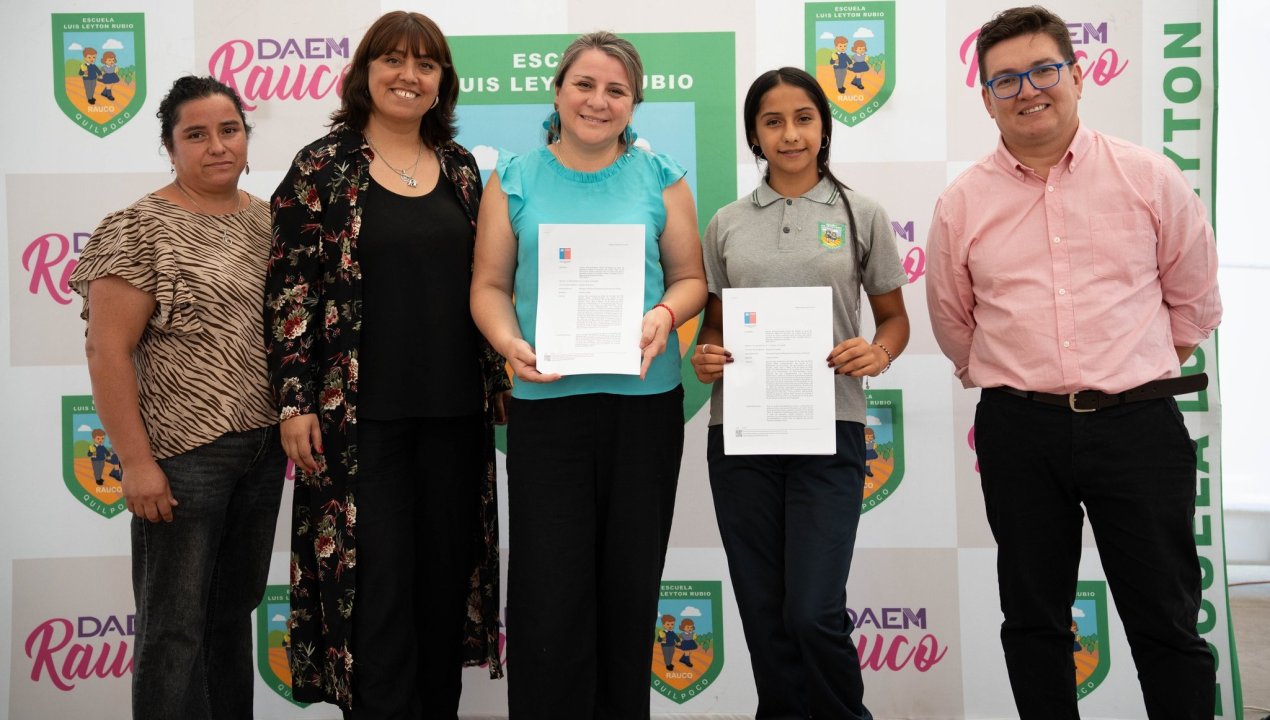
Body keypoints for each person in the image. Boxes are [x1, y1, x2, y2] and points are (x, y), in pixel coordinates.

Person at [925, 6, 1221, 718]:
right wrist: (1026, 384)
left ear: (1078, 76)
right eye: (1005, 79)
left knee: (1166, 620)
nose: (1027, 90)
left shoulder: (1148, 177)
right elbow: (954, 322)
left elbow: (1194, 302)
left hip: (1137, 427)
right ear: (986, 98)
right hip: (1019, 432)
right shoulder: (962, 203)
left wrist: (1129, 373)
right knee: (1034, 622)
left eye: (1043, 70)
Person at [264, 10, 507, 717]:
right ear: (364, 73)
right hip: (357, 427)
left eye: (425, 64)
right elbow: (290, 292)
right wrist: (294, 402)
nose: (409, 75)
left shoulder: (462, 169)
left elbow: (486, 283)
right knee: (374, 596)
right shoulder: (321, 167)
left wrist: (497, 378)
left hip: (455, 418)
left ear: (442, 82)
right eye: (393, 60)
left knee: (443, 588)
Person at [470, 31, 706, 719]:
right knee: (549, 592)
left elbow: (691, 279)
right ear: (557, 90)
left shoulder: (662, 177)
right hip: (547, 407)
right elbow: (488, 285)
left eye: (615, 90)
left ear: (634, 103)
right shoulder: (512, 179)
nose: (598, 101)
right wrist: (508, 342)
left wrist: (665, 313)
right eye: (584, 84)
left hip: (644, 407)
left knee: (630, 588)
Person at [691, 66, 908, 720]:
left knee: (812, 611)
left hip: (831, 432)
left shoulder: (861, 214)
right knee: (764, 613)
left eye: (804, 118)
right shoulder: (726, 223)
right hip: (740, 438)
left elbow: (893, 320)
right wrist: (706, 355)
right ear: (754, 135)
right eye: (773, 121)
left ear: (824, 126)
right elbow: (714, 328)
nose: (790, 134)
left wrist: (878, 352)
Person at [68, 75, 284, 720]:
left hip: (262, 450)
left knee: (231, 614)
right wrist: (135, 463)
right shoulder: (138, 229)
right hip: (184, 457)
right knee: (173, 629)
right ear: (170, 147)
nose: (217, 146)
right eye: (196, 134)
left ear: (246, 138)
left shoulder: (267, 220)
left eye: (229, 130)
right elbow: (107, 351)